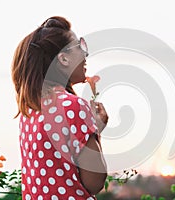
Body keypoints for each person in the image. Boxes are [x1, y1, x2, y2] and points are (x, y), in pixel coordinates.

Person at [11, 16, 108, 200]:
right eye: (79, 46)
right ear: (63, 58)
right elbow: (95, 183)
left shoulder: (29, 109)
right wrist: (96, 130)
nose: (85, 54)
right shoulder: (74, 106)